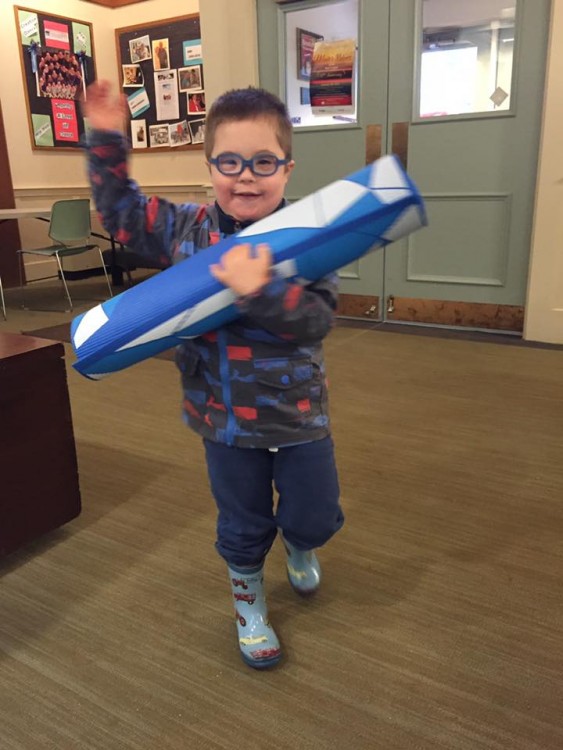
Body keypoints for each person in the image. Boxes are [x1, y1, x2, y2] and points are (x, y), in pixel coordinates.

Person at [81, 81, 344, 670]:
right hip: (222, 418)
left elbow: (315, 321)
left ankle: (301, 546)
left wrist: (263, 291)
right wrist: (104, 137)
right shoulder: (187, 229)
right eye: (229, 162)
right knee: (243, 522)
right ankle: (249, 605)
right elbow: (122, 214)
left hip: (298, 414)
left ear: (287, 169)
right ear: (210, 167)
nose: (245, 177)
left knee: (315, 512)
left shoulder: (311, 237)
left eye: (262, 162)